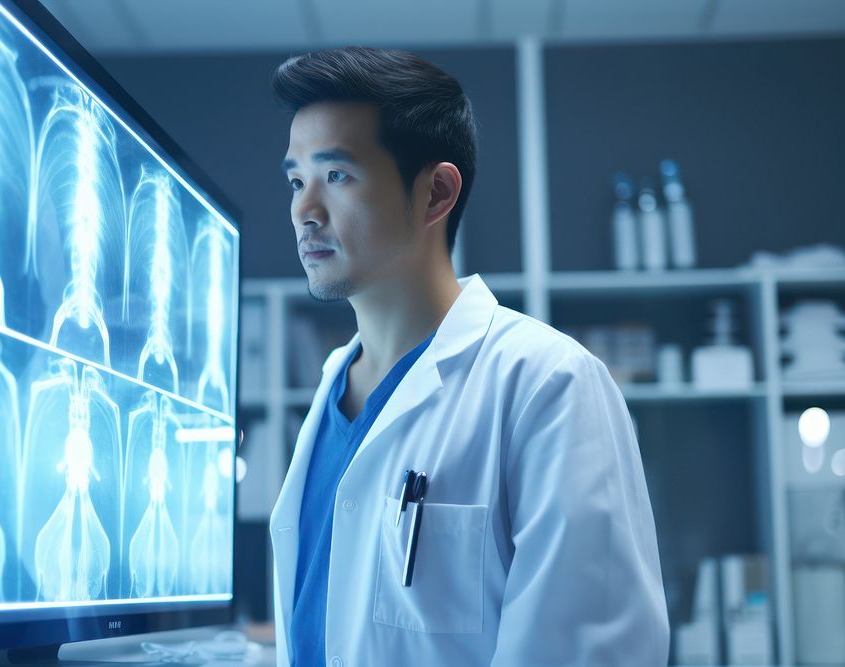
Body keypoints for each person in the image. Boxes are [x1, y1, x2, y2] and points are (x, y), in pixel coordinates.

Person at [268, 47, 669, 667]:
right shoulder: (328, 396)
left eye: (337, 176)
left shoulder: (547, 385)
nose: (303, 210)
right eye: (297, 181)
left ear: (436, 193)